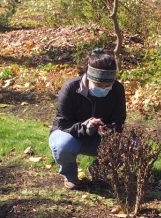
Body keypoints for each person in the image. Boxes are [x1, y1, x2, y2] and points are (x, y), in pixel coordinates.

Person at [49, 48, 126, 189]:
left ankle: (99, 172)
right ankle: (70, 175)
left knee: (131, 144)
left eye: (107, 85)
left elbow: (119, 121)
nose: (103, 88)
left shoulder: (118, 89)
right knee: (62, 146)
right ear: (89, 77)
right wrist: (85, 127)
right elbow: (62, 122)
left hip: (100, 138)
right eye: (99, 85)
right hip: (71, 135)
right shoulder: (71, 87)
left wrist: (108, 129)